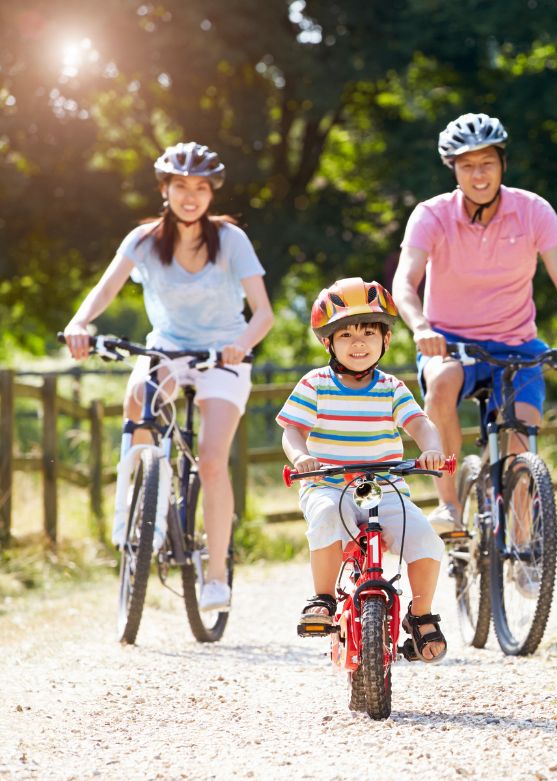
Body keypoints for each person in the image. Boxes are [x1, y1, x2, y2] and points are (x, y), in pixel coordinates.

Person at [63, 141, 274, 614]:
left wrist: (242, 343)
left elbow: (263, 313)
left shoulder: (231, 240)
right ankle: (143, 510)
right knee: (139, 392)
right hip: (169, 348)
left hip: (224, 353)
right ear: (165, 189)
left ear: (211, 193)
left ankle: (216, 574)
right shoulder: (143, 240)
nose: (191, 196)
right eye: (181, 186)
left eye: (201, 187)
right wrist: (81, 323)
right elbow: (105, 289)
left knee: (212, 460)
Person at [392, 112, 557, 533]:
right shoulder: (431, 215)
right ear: (453, 168)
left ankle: (524, 540)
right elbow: (404, 282)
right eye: (467, 165)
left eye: (487, 162)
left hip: (518, 344)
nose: (479, 174)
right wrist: (420, 327)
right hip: (449, 342)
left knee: (522, 435)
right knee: (442, 382)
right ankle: (449, 504)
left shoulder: (533, 211)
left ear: (502, 163)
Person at [276, 277, 448, 663]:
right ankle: (321, 597)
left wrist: (432, 449)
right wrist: (302, 457)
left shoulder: (391, 387)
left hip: (385, 485)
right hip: (329, 483)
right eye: (346, 334)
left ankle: (421, 615)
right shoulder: (315, 384)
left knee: (425, 539)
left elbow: (419, 424)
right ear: (328, 343)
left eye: (369, 332)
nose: (358, 343)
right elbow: (292, 430)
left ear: (386, 340)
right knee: (323, 518)